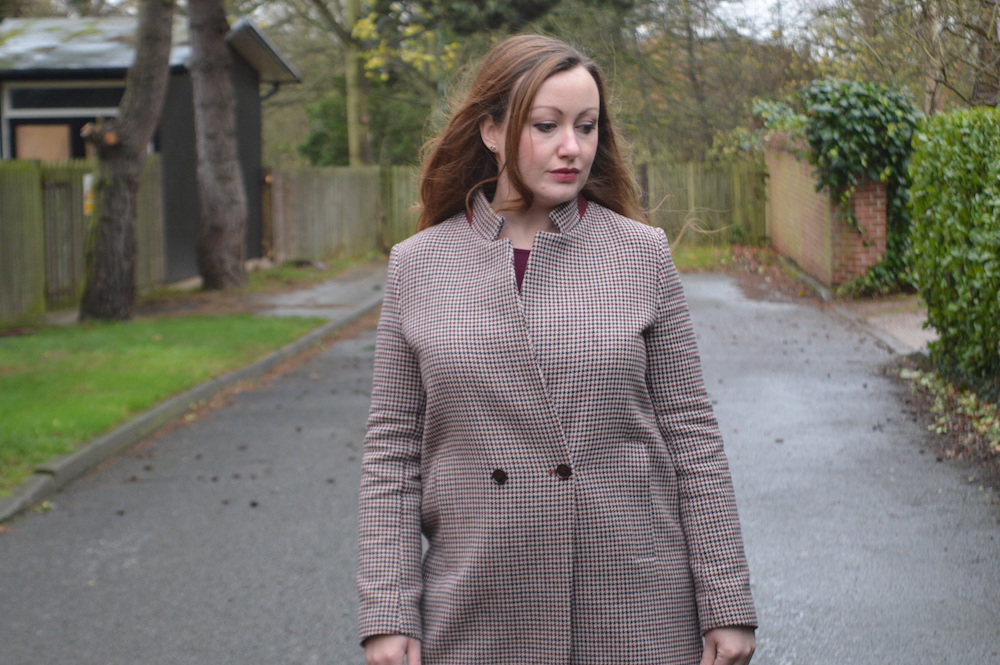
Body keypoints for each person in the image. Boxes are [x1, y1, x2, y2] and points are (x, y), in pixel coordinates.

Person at [356, 34, 757, 665]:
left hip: (633, 600)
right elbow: (392, 451)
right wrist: (387, 611)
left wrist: (727, 602)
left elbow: (693, 436)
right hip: (478, 603)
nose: (573, 148)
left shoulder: (639, 253)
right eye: (547, 126)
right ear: (491, 130)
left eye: (587, 126)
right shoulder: (419, 266)